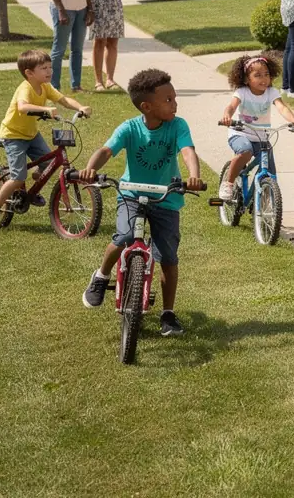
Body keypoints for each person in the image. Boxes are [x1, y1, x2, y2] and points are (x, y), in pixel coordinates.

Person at [79, 69, 204, 338]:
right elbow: (106, 150)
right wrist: (90, 169)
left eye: (174, 98)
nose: (175, 104)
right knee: (124, 236)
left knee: (168, 257)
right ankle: (101, 276)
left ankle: (168, 313)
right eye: (168, 100)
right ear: (147, 107)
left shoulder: (178, 126)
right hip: (131, 194)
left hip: (166, 197)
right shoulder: (130, 128)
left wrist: (193, 176)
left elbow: (187, 151)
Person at [0, 50, 91, 235]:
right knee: (18, 177)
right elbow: (23, 107)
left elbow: (63, 100)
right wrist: (45, 109)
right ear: (29, 73)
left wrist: (80, 107)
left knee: (50, 163)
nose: (49, 71)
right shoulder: (25, 88)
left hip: (31, 134)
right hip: (13, 135)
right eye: (44, 68)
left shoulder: (45, 86)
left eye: (50, 67)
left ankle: (32, 192)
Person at [217, 52, 294, 201]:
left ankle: (267, 202)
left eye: (266, 74)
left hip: (261, 137)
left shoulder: (271, 92)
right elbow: (231, 107)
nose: (264, 78)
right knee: (245, 152)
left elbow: (282, 107)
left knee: (270, 171)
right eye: (258, 75)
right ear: (246, 79)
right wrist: (227, 116)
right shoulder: (242, 92)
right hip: (240, 134)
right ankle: (228, 183)